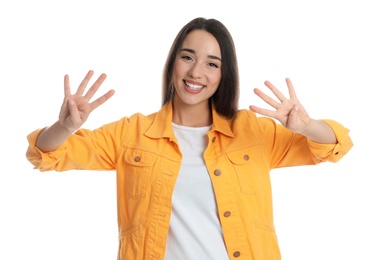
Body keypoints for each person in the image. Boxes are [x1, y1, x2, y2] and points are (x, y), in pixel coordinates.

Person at [26, 17, 353, 260]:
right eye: (188, 57)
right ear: (172, 64)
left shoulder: (252, 132)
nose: (197, 72)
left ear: (224, 75)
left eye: (212, 63)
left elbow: (331, 146)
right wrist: (65, 127)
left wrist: (306, 125)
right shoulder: (132, 134)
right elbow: (47, 154)